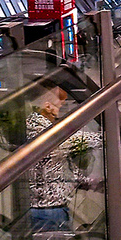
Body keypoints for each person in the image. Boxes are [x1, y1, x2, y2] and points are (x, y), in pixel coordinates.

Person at [26, 88, 100, 231]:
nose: (62, 107)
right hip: (49, 210)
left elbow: (55, 165)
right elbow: (78, 140)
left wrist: (87, 181)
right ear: (48, 106)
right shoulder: (43, 131)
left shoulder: (32, 124)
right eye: (60, 104)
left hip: (42, 206)